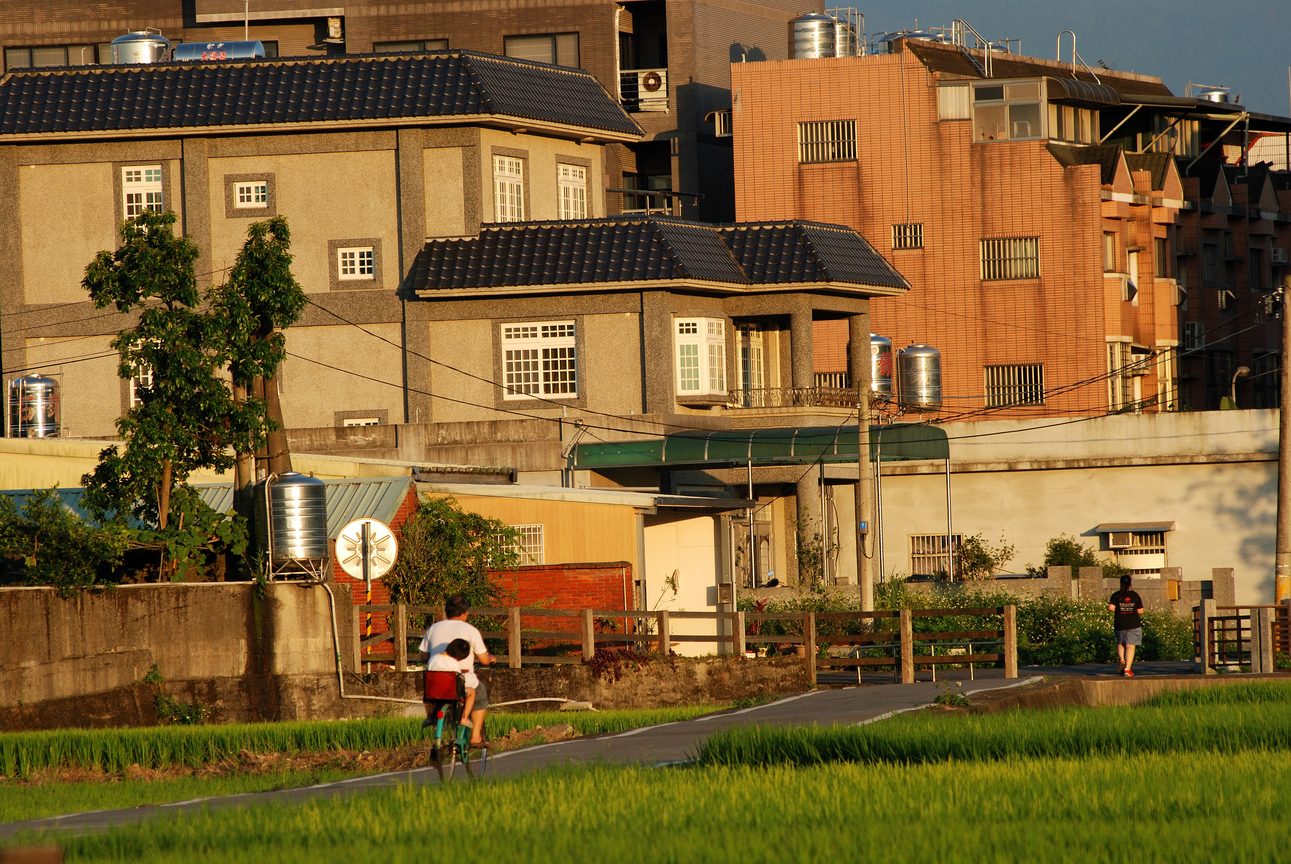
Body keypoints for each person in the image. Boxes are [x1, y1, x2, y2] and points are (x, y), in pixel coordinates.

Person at [419, 594, 495, 745]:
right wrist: (492, 658)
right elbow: (484, 660)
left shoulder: (433, 628)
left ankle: (437, 735)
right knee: (480, 695)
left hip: (436, 681)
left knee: (434, 700)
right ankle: (475, 736)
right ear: (465, 613)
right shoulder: (471, 630)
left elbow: (423, 656)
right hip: (462, 679)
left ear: (446, 611)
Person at [425, 638, 478, 727]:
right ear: (459, 656)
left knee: (431, 704)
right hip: (450, 693)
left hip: (433, 693)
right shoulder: (453, 663)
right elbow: (456, 679)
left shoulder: (433, 659)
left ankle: (429, 717)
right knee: (472, 692)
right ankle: (464, 718)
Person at [1108, 574, 1145, 677]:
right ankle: (1127, 669)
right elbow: (1140, 611)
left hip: (1120, 623)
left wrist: (1119, 611)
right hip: (1133, 623)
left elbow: (1111, 607)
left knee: (1120, 643)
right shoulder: (1135, 595)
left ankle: (1122, 660)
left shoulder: (1116, 595)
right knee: (1130, 646)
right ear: (1130, 583)